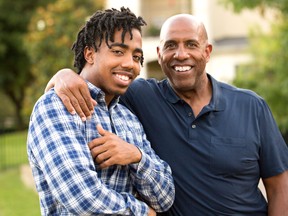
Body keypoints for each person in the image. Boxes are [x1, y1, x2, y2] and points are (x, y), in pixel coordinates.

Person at [46, 14, 288, 215]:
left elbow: (279, 187)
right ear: (159, 54)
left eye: (191, 44)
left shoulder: (251, 106)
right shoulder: (139, 96)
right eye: (171, 45)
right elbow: (96, 79)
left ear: (207, 51)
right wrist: (64, 75)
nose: (180, 54)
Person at [27, 7, 175, 216]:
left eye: (136, 56)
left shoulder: (128, 119)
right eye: (118, 51)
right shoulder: (57, 107)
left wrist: (137, 157)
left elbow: (165, 198)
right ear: (89, 54)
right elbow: (81, 197)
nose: (129, 64)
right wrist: (144, 213)